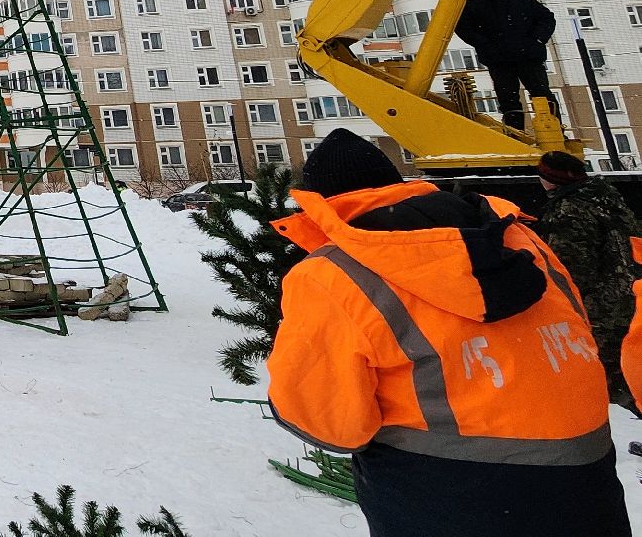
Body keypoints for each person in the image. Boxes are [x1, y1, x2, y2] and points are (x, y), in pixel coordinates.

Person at [266, 128, 627, 537]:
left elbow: (330, 423)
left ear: (318, 203)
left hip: (442, 494)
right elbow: (578, 327)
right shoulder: (518, 238)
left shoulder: (332, 275)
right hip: (588, 479)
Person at [534, 149, 642, 413]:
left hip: (603, 304)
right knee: (633, 366)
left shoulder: (568, 209)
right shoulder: (605, 196)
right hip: (632, 290)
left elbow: (572, 265)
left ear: (550, 179)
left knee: (614, 375)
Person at [454, 0, 558, 130]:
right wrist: (485, 45)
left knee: (541, 93)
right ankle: (516, 133)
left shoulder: (523, 1)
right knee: (508, 99)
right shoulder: (474, 6)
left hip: (528, 57)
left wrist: (537, 40)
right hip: (500, 60)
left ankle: (554, 129)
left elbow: (547, 19)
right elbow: (463, 28)